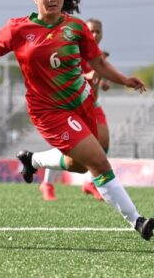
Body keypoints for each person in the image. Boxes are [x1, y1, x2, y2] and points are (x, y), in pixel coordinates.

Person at [0, 0, 154, 240]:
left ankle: (32, 159)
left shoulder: (76, 27)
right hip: (49, 111)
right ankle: (137, 221)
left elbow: (97, 63)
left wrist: (123, 80)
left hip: (82, 104)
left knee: (80, 165)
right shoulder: (17, 28)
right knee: (98, 162)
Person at [38, 18, 110, 201]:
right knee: (67, 148)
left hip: (93, 105)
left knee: (103, 143)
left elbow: (103, 79)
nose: (94, 35)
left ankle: (91, 183)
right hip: (73, 104)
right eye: (91, 30)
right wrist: (89, 75)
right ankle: (46, 183)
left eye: (98, 31)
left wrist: (104, 80)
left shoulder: (98, 54)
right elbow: (69, 74)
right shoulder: (74, 49)